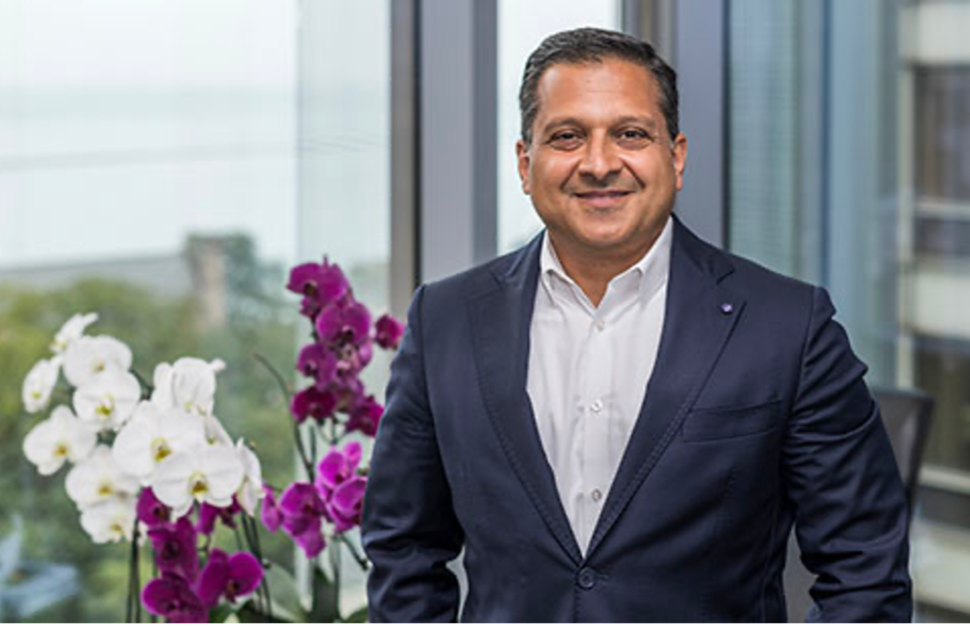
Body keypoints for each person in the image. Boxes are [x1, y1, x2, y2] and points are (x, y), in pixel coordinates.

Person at [361, 27, 912, 625]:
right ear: (526, 163)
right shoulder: (443, 320)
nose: (599, 164)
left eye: (630, 134)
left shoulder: (789, 327)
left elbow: (865, 568)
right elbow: (404, 548)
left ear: (675, 158)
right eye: (567, 137)